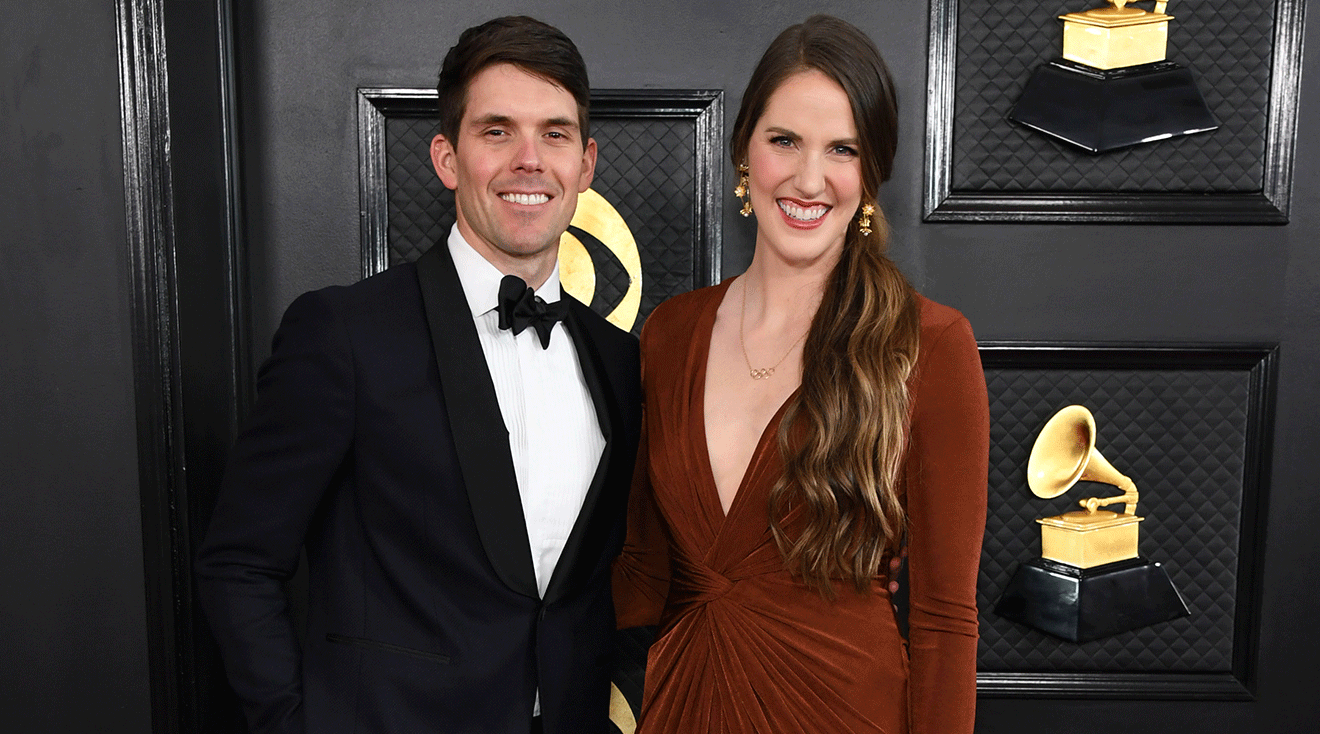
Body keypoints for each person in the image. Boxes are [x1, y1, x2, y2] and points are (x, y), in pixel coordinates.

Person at [196, 16, 641, 734]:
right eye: (497, 131)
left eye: (554, 134)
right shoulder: (343, 334)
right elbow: (240, 563)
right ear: (446, 157)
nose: (530, 159)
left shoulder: (617, 359)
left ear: (585, 165)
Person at [612, 15, 988, 734]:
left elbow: (944, 624)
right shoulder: (670, 334)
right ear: (743, 152)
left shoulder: (931, 345)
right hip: (685, 704)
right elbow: (641, 577)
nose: (809, 178)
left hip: (845, 710)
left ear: (869, 174)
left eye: (841, 149)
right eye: (784, 140)